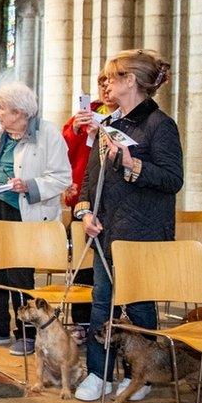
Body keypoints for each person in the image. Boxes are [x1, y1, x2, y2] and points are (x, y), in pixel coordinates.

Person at [73, 50, 182, 402]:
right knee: (101, 302)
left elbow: (172, 179)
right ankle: (98, 373)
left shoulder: (159, 125)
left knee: (138, 305)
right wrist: (85, 213)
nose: (105, 84)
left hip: (143, 232)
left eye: (111, 78)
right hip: (107, 229)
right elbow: (91, 177)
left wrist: (133, 165)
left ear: (130, 81)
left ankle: (143, 376)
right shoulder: (109, 124)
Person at [0, 81, 71, 357]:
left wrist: (29, 186)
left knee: (19, 274)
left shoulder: (47, 134)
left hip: (24, 212)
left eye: (2, 108)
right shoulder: (1, 136)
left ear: (20, 111)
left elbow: (62, 176)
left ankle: (25, 333)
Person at [62, 75, 118, 329]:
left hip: (114, 200)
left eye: (110, 83)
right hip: (83, 197)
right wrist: (75, 131)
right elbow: (62, 153)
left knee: (112, 261)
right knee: (84, 263)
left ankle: (113, 322)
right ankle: (83, 321)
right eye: (102, 84)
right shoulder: (85, 115)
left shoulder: (129, 116)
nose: (106, 88)